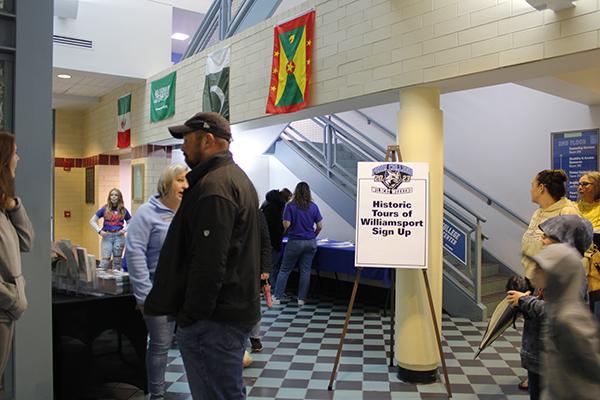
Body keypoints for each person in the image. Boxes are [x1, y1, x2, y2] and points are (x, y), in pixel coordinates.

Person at [144, 112, 261, 399]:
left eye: (186, 139)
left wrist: (191, 316)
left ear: (207, 140)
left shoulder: (214, 187)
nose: (182, 147)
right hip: (227, 314)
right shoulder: (235, 179)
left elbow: (209, 263)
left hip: (213, 321)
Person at [125, 163, 188, 400]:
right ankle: (157, 394)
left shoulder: (187, 212)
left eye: (187, 180)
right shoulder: (146, 213)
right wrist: (143, 295)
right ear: (166, 183)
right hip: (157, 292)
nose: (185, 185)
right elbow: (135, 253)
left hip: (185, 293)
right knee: (160, 344)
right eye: (180, 180)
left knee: (190, 343)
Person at [522, 215, 600, 400]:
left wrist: (526, 302)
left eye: (548, 237)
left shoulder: (570, 317)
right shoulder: (556, 274)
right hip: (541, 363)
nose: (542, 239)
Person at [518, 169, 579, 391]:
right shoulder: (539, 212)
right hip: (535, 283)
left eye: (532, 184)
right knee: (535, 337)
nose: (531, 189)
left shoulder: (568, 211)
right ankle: (536, 374)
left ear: (542, 187)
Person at [0, 131, 34, 377]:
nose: (18, 158)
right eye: (15, 152)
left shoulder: (4, 210)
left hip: (5, 312)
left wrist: (14, 206)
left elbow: (27, 241)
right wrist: (14, 300)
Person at [273, 182, 323, 306]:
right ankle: (301, 299)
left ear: (295, 191)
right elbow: (320, 225)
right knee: (305, 271)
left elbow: (286, 224)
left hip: (295, 241)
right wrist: (313, 235)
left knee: (284, 270)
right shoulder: (313, 206)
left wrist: (287, 230)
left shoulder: (290, 206)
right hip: (310, 242)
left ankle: (277, 297)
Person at [89, 188, 131, 270]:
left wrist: (124, 230)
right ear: (109, 197)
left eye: (116, 195)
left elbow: (131, 222)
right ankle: (101, 280)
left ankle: (115, 281)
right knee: (105, 259)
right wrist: (99, 231)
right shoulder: (104, 209)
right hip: (107, 236)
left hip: (119, 236)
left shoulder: (123, 210)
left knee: (117, 260)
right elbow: (92, 221)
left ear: (119, 197)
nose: (114, 197)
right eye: (112, 195)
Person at [260, 188, 291, 289]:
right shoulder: (279, 206)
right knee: (274, 266)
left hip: (264, 238)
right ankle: (273, 289)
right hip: (274, 239)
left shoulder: (267, 202)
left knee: (266, 265)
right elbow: (278, 225)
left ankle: (265, 288)